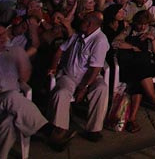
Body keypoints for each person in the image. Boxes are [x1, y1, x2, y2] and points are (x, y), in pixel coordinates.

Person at [0, 23, 74, 156]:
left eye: (3, 34)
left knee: (9, 121)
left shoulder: (14, 53)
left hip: (9, 107)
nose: (1, 37)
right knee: (11, 96)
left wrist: (22, 61)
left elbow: (24, 79)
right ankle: (48, 131)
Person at [47, 10, 110, 143]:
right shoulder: (77, 35)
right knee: (61, 93)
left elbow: (95, 68)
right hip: (69, 75)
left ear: (89, 24)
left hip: (89, 78)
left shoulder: (100, 40)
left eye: (83, 20)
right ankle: (60, 131)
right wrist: (53, 66)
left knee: (101, 88)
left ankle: (94, 129)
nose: (80, 22)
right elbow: (60, 50)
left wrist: (84, 87)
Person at [108, 10, 155, 132]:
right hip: (130, 65)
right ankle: (154, 100)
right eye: (140, 24)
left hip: (145, 64)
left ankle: (132, 119)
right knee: (139, 73)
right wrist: (131, 47)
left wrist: (152, 39)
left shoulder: (151, 30)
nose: (142, 27)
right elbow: (115, 43)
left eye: (145, 24)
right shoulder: (129, 30)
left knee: (139, 74)